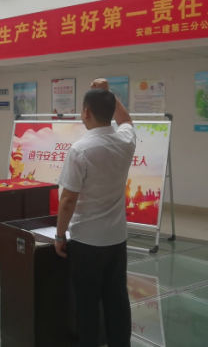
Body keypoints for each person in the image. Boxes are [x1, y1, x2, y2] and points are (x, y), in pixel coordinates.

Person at [54, 78, 136, 347]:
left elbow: (68, 200)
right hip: (117, 238)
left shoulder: (80, 150)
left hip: (87, 241)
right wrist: (108, 93)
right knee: (117, 299)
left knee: (87, 303)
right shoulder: (126, 141)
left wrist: (59, 236)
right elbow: (126, 120)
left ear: (86, 112)